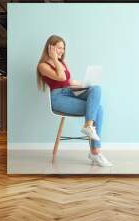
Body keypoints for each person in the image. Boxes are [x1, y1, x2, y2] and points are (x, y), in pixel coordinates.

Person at [37, 35, 112, 167]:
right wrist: (54, 59)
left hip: (70, 92)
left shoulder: (62, 63)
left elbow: (69, 81)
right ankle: (95, 152)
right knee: (98, 109)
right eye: (58, 48)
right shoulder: (43, 66)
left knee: (96, 89)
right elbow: (60, 78)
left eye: (63, 48)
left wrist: (85, 84)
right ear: (50, 47)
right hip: (58, 98)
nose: (61, 51)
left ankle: (88, 126)